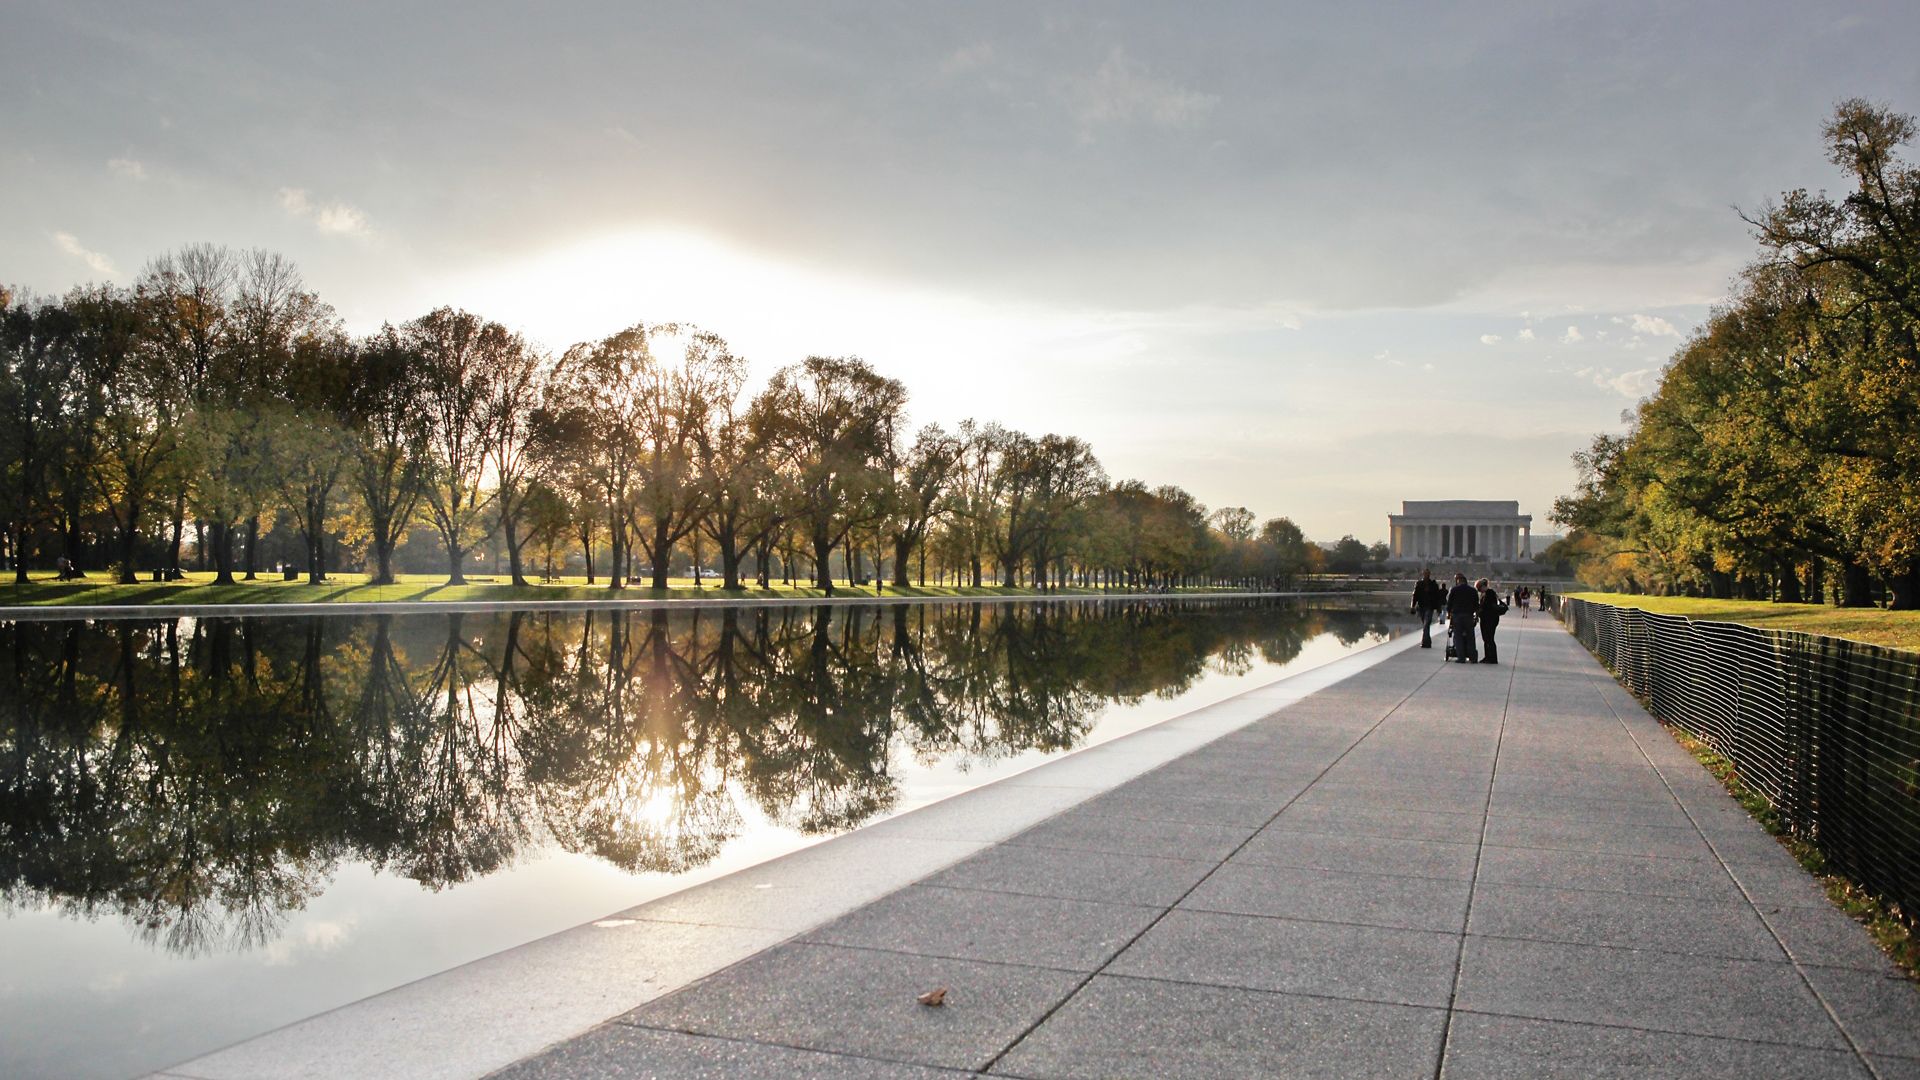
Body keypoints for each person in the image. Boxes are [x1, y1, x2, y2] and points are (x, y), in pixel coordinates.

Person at [1445, 573, 1479, 662]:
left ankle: (1461, 657)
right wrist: (1477, 616)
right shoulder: (1472, 590)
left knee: (1458, 636)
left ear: (1458, 581)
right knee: (1470, 637)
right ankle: (1473, 657)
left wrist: (1448, 613)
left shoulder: (1454, 590)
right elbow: (1476, 605)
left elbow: (1449, 604)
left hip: (1457, 616)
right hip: (1468, 615)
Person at [1410, 569, 1445, 648]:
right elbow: (1414, 596)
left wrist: (1438, 609)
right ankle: (1428, 642)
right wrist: (1412, 606)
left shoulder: (1433, 584)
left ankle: (1424, 642)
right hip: (1421, 607)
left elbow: (1437, 597)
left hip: (1430, 607)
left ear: (1429, 574)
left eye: (1427, 573)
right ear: (1423, 574)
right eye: (1425, 573)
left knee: (1426, 624)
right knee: (1425, 625)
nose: (1426, 575)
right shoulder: (1419, 584)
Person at [1476, 577, 1508, 664]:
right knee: (1486, 638)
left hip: (1490, 619)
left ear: (1483, 586)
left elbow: (1487, 606)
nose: (1479, 591)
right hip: (1488, 619)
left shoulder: (1489, 593)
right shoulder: (1487, 593)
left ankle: (1492, 658)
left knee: (1489, 638)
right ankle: (1488, 657)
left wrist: (1480, 608)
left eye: (1479, 589)